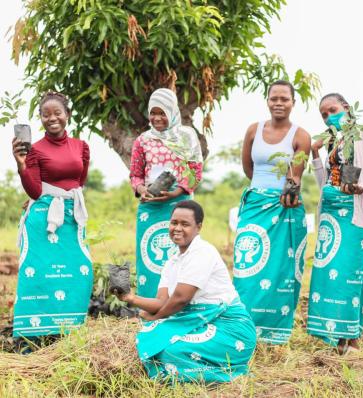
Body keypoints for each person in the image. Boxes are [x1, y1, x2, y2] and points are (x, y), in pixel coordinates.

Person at [115, 200, 256, 383]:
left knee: (167, 350)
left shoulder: (203, 252)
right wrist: (130, 298)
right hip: (199, 321)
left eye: (185, 224)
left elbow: (181, 299)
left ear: (198, 227)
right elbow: (161, 302)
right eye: (174, 223)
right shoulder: (172, 261)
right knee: (151, 337)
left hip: (230, 328)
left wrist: (155, 317)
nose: (177, 228)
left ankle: (226, 373)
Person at [233, 80, 311, 344]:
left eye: (284, 99)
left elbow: (295, 176)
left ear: (293, 103)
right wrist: (264, 193)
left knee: (279, 268)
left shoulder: (301, 136)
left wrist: (284, 193)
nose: (279, 103)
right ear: (267, 100)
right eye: (274, 98)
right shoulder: (253, 130)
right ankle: (244, 327)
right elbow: (248, 168)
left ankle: (273, 335)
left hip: (283, 208)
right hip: (255, 205)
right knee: (247, 266)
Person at [308, 93, 363, 354]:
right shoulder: (331, 140)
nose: (330, 117)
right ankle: (336, 337)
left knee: (352, 273)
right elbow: (323, 183)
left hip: (354, 212)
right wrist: (315, 154)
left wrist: (361, 187)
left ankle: (352, 338)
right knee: (331, 276)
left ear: (347, 108)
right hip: (330, 213)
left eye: (333, 110)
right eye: (324, 114)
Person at [11, 91, 92, 337]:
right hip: (44, 221)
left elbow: (80, 180)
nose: (52, 118)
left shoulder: (81, 146)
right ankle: (31, 335)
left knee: (79, 271)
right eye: (46, 115)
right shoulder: (34, 150)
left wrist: (65, 197)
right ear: (40, 118)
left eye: (57, 113)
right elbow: (35, 190)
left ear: (67, 115)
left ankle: (69, 331)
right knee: (38, 274)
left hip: (73, 217)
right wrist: (21, 164)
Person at [130, 88, 203, 298]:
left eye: (162, 113)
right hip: (150, 208)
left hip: (179, 206)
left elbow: (195, 172)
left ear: (172, 112)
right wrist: (142, 189)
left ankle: (178, 303)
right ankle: (150, 303)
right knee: (150, 258)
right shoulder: (143, 140)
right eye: (153, 113)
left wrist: (176, 191)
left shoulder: (187, 136)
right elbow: (135, 175)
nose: (157, 118)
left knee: (182, 255)